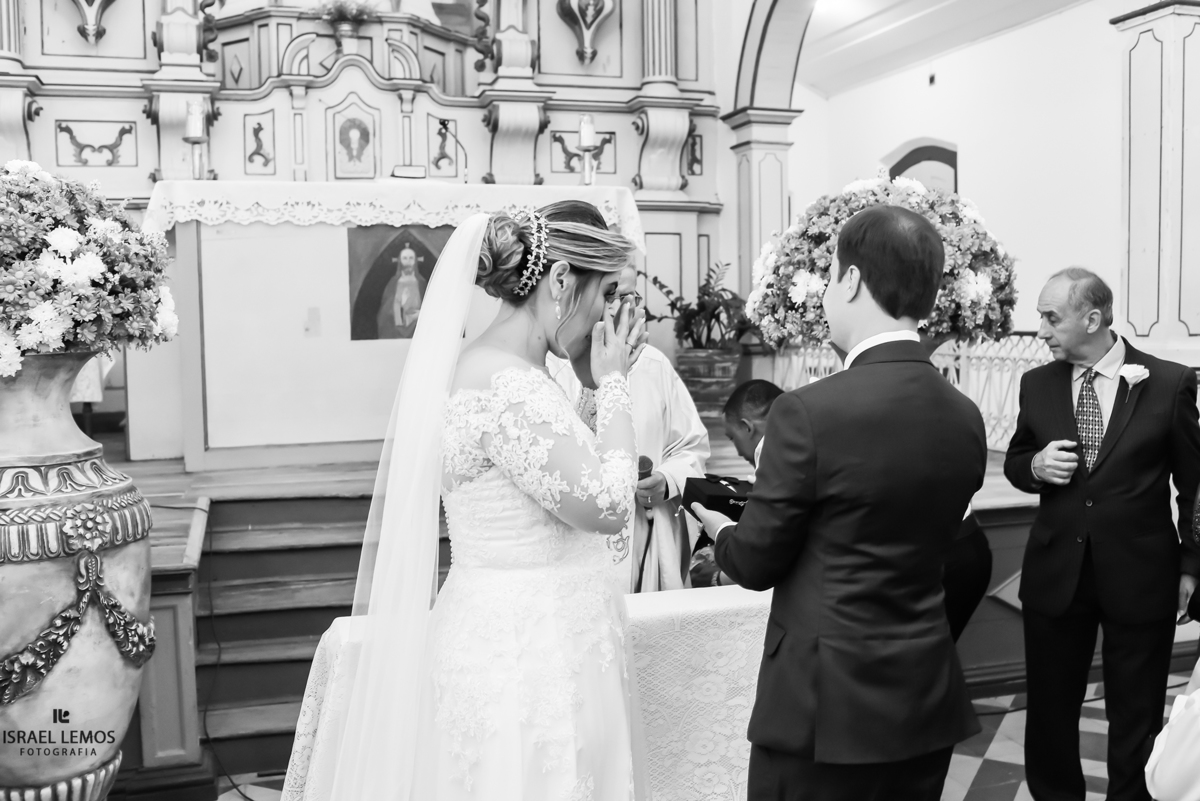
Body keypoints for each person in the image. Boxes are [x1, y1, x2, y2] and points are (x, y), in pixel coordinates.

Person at [286, 205, 650, 801]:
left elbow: (555, 478)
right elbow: (606, 505)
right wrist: (612, 384)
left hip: (539, 636)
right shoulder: (505, 385)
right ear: (559, 280)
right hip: (528, 656)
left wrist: (592, 388)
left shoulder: (512, 375)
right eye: (607, 292)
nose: (609, 313)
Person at [690, 205, 987, 801]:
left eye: (829, 277)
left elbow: (755, 562)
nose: (826, 292)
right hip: (923, 694)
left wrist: (719, 527)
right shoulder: (965, 415)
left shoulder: (807, 412)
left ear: (850, 281)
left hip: (822, 707)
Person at [1004, 267, 1200, 801]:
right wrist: (1035, 467)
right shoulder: (1036, 383)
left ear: (1092, 318)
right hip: (1055, 574)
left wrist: (1191, 565)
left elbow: (1195, 485)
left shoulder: (1169, 381)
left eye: (1050, 317)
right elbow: (1017, 461)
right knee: (1049, 709)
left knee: (1136, 710)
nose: (1040, 329)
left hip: (1141, 575)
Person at [542, 201, 710, 593]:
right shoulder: (554, 364)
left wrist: (666, 480)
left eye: (628, 296)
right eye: (610, 293)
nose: (618, 308)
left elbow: (693, 448)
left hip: (645, 534)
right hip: (575, 546)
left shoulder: (654, 365)